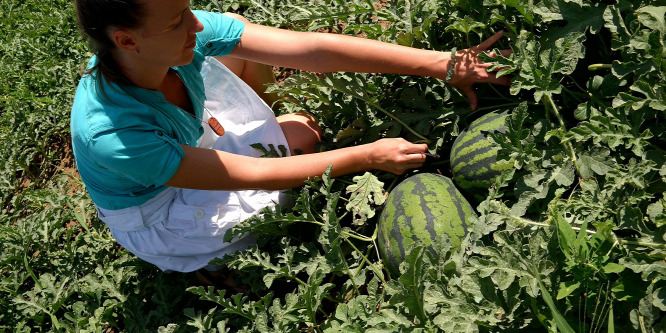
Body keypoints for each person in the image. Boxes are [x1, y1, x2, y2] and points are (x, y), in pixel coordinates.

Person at [71, 0, 510, 289]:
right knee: (297, 155)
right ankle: (206, 264)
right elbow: (256, 175)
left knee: (262, 75)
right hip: (162, 210)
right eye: (176, 21)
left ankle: (272, 120)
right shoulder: (113, 135)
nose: (196, 23)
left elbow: (312, 50)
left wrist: (444, 65)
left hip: (190, 151)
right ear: (126, 41)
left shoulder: (168, 37)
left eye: (187, 7)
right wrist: (364, 156)